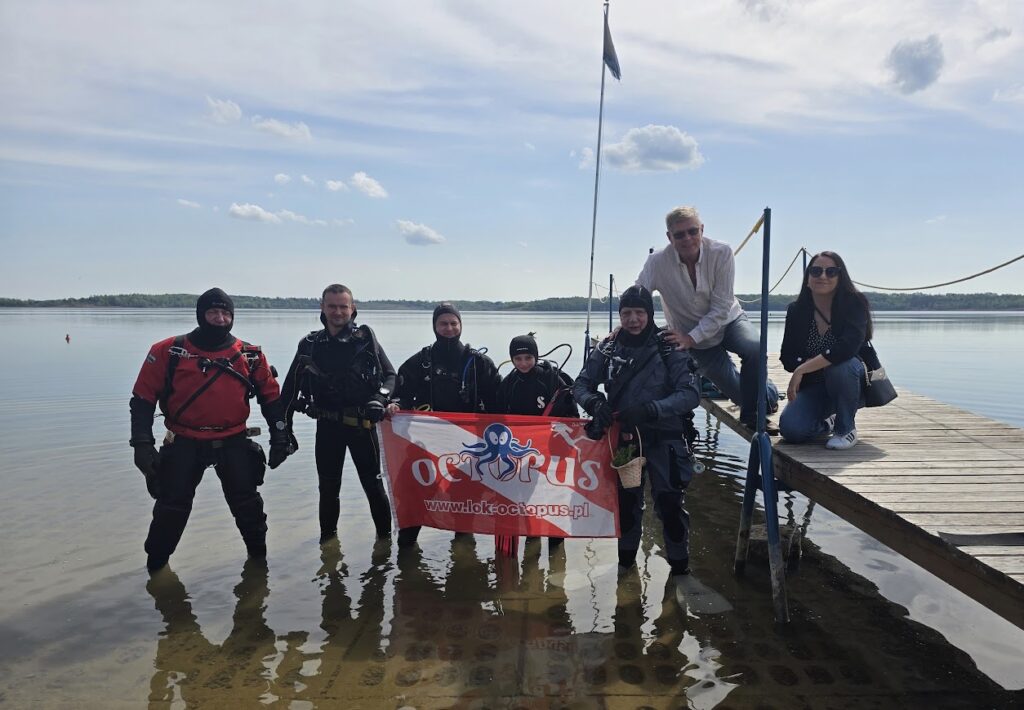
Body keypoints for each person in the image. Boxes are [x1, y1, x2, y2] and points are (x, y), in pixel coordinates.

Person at [129, 288, 291, 572]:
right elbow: (142, 400)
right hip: (183, 441)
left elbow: (271, 399)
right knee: (170, 512)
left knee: (249, 510)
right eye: (213, 312)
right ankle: (156, 572)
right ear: (200, 314)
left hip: (234, 441)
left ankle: (258, 564)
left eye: (225, 313)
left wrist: (280, 437)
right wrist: (142, 444)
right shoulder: (167, 351)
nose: (220, 318)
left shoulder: (250, 355)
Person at [573, 285, 701, 577]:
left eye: (639, 312)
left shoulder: (669, 346)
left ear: (649, 314)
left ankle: (680, 569)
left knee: (669, 505)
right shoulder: (608, 348)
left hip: (665, 438)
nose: (633, 319)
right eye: (627, 313)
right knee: (627, 505)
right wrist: (594, 403)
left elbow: (690, 394)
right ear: (620, 315)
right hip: (626, 441)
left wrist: (652, 409)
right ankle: (625, 565)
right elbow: (580, 384)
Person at [637, 205, 777, 426]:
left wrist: (690, 338)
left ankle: (752, 417)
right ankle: (767, 392)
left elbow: (721, 307)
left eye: (693, 231)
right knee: (761, 400)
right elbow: (638, 297)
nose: (687, 238)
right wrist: (626, 327)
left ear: (702, 229)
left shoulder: (722, 252)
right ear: (669, 237)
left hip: (729, 321)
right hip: (691, 335)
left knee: (755, 349)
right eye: (679, 234)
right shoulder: (657, 262)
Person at [279, 284, 395, 544]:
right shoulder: (310, 345)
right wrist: (283, 432)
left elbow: (391, 376)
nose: (338, 312)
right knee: (328, 489)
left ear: (353, 308)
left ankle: (385, 544)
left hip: (363, 427)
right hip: (328, 428)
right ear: (322, 307)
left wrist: (379, 399)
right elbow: (288, 392)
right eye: (332, 306)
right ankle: (328, 548)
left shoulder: (365, 340)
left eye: (343, 306)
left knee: (373, 486)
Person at [393, 302, 501, 548]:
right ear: (434, 326)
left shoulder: (479, 363)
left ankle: (463, 551)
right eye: (443, 323)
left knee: (464, 509)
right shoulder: (419, 363)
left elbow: (500, 404)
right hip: (425, 447)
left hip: (468, 448)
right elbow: (400, 396)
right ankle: (405, 557)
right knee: (413, 500)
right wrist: (394, 405)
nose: (449, 328)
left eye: (454, 323)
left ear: (461, 325)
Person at [779, 251, 872, 450]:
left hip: (850, 382)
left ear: (840, 277)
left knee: (841, 367)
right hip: (815, 386)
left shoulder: (855, 303)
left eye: (831, 272)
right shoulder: (796, 310)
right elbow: (787, 357)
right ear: (808, 278)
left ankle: (845, 430)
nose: (822, 276)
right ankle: (829, 423)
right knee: (791, 430)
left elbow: (847, 349)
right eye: (816, 271)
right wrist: (811, 365)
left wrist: (802, 368)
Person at [495, 333, 578, 550]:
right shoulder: (509, 383)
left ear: (536, 356)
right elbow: (498, 420)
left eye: (528, 358)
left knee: (553, 503)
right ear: (512, 359)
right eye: (518, 359)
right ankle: (532, 546)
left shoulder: (552, 379)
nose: (523, 363)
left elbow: (573, 415)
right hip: (522, 454)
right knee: (528, 503)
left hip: (552, 452)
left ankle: (556, 549)